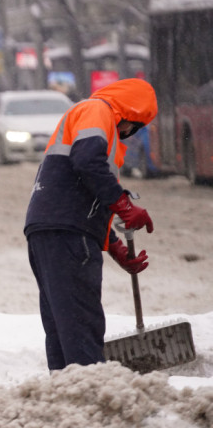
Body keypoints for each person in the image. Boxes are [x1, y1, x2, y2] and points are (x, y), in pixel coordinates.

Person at [24, 78, 157, 371]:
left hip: (48, 228)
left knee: (62, 326)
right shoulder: (99, 110)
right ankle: (89, 395)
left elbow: (82, 198)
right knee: (82, 325)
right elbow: (87, 162)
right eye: (134, 127)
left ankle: (64, 396)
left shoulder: (83, 116)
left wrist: (115, 246)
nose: (128, 134)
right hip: (67, 233)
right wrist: (123, 204)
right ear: (130, 113)